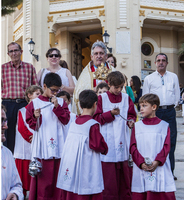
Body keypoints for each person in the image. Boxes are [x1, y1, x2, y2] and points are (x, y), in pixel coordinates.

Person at [57, 90, 108, 200]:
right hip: (86, 165)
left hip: (70, 164)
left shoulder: (73, 122)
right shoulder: (92, 125)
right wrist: (105, 147)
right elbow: (98, 145)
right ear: (95, 104)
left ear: (80, 105)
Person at [26, 73, 70, 200]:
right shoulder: (35, 103)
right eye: (53, 90)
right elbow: (32, 124)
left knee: (58, 181)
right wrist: (35, 116)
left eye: (58, 90)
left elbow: (66, 120)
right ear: (44, 86)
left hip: (59, 146)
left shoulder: (61, 102)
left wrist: (57, 107)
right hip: (43, 146)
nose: (55, 93)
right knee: (44, 182)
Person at [93, 71, 136, 200]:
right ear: (109, 84)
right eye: (116, 87)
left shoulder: (126, 98)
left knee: (123, 174)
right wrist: (110, 114)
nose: (119, 90)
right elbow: (95, 118)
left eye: (121, 87)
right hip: (107, 139)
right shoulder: (101, 98)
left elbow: (132, 114)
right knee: (109, 175)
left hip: (122, 138)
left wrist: (131, 121)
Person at [130, 94, 176, 200]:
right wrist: (141, 163)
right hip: (141, 167)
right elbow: (132, 147)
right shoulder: (137, 126)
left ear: (154, 107)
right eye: (140, 106)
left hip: (160, 167)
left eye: (144, 105)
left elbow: (166, 147)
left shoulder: (164, 126)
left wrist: (157, 161)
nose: (141, 108)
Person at [142, 53, 180, 180]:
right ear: (155, 63)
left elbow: (177, 95)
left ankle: (170, 171)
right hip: (155, 113)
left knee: (171, 141)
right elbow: (145, 98)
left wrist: (171, 106)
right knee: (155, 142)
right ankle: (155, 169)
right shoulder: (149, 79)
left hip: (169, 112)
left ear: (167, 63)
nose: (161, 62)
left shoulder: (173, 77)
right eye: (158, 60)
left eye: (163, 60)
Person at [1, 42, 38, 153]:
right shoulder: (2, 68)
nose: (14, 53)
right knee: (8, 133)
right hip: (8, 104)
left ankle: (25, 158)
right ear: (8, 53)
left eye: (16, 50)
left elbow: (35, 87)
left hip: (24, 104)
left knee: (25, 130)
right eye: (11, 51)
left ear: (21, 52)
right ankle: (9, 157)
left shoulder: (29, 67)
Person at [13, 85, 43, 198]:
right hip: (24, 148)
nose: (39, 96)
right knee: (22, 177)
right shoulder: (22, 111)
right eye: (37, 94)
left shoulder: (41, 111)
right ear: (29, 96)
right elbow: (22, 128)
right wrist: (34, 139)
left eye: (40, 94)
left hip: (36, 147)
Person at [72, 41, 115, 115]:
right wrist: (93, 91)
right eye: (96, 53)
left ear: (106, 56)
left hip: (110, 111)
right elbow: (79, 96)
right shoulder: (85, 74)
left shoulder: (113, 72)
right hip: (92, 112)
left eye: (101, 53)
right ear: (91, 57)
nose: (99, 56)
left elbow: (121, 91)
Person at [1, 104, 24, 200]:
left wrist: (15, 194)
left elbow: (17, 185)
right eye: (1, 121)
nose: (5, 126)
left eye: (5, 121)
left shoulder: (7, 154)